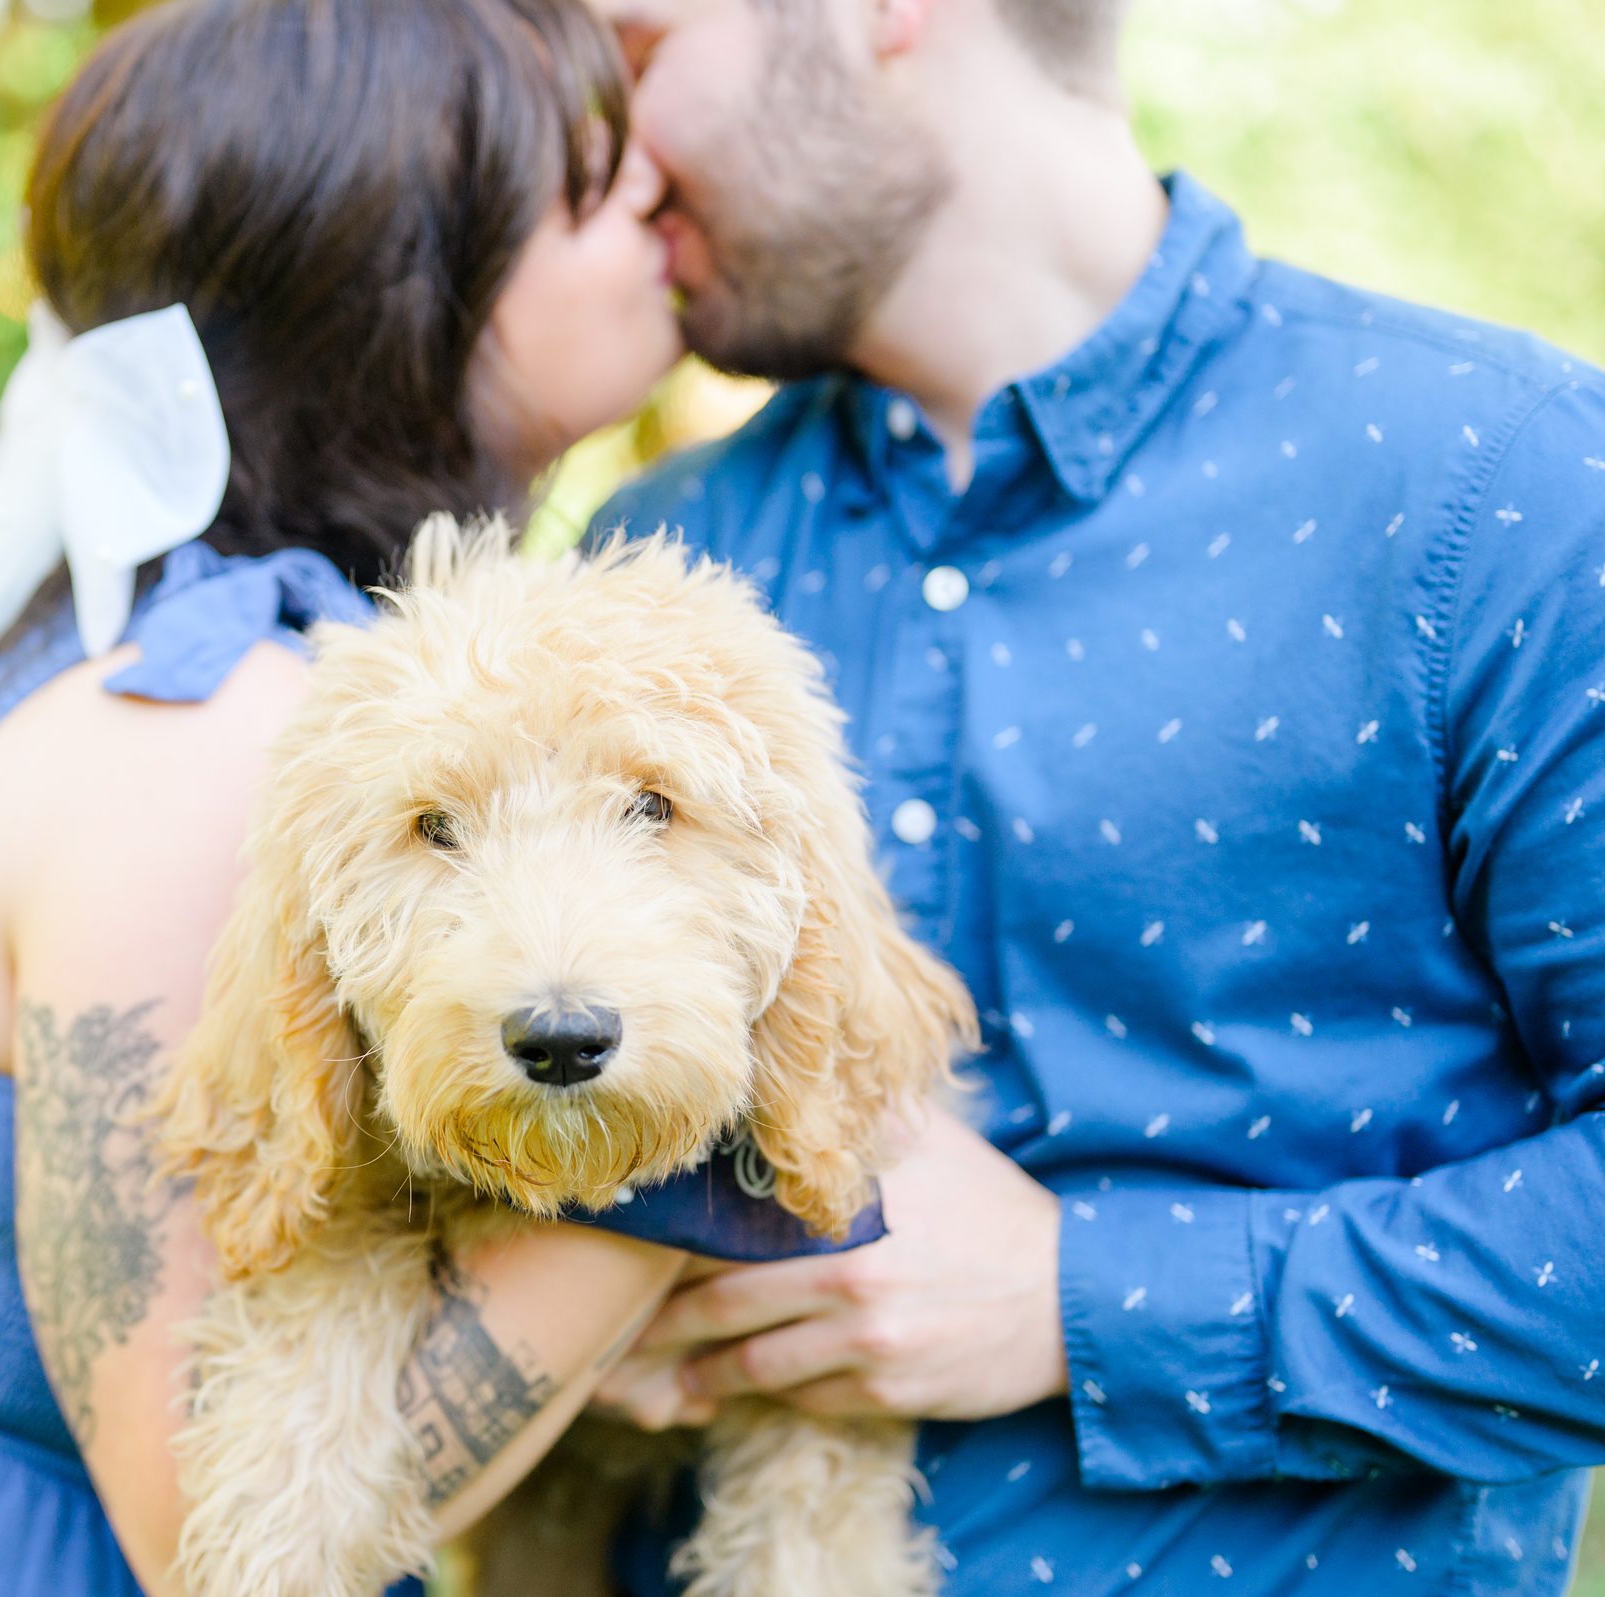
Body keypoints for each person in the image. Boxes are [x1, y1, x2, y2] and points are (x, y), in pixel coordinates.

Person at [0, 0, 846, 1591]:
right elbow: (210, 1522)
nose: (659, 198)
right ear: (400, 274)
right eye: (587, 182)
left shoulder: (113, 631)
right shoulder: (216, 733)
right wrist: (699, 1138)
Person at [585, 0, 1605, 1591]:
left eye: (636, 61)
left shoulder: (1504, 485)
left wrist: (1087, 1298)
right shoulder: (644, 563)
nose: (610, 168)